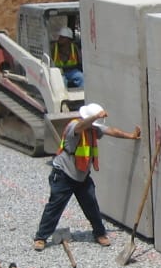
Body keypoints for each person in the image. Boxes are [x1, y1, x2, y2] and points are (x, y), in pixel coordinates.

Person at [33, 103, 141, 251]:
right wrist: (96, 116)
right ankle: (41, 237)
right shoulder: (75, 127)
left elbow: (111, 131)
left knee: (91, 205)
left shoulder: (93, 129)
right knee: (55, 206)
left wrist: (131, 136)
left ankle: (99, 234)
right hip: (64, 174)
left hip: (81, 176)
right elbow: (81, 126)